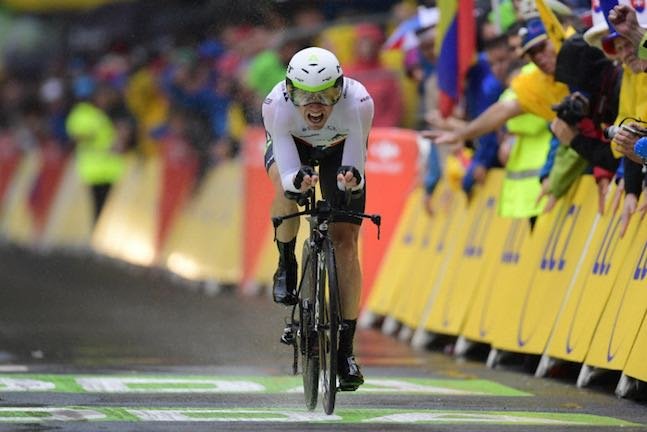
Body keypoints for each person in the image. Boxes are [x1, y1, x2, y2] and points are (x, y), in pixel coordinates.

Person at [262, 47, 374, 391]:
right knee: (287, 194)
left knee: (345, 241)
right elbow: (287, 171)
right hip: (294, 147)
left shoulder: (359, 102)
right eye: (304, 96)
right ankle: (286, 262)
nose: (315, 107)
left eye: (327, 95)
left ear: (340, 89)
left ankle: (345, 351)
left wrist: (351, 180)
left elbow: (356, 164)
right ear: (288, 91)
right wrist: (296, 183)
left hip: (340, 149)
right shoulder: (276, 107)